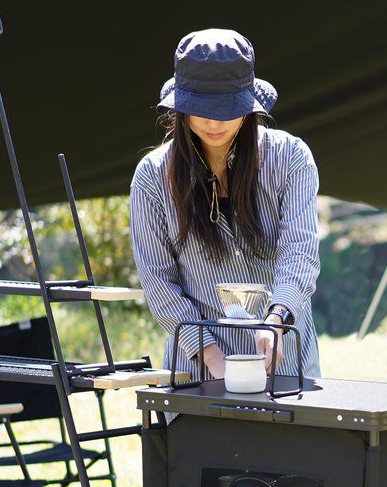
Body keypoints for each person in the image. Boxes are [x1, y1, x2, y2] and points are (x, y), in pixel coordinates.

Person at [130, 28, 321, 383]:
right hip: (197, 366)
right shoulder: (152, 177)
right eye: (201, 110)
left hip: (285, 359)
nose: (214, 122)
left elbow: (301, 252)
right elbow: (158, 280)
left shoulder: (291, 157)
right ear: (180, 106)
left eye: (227, 109)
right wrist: (211, 356)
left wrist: (276, 317)